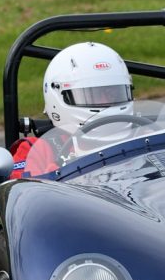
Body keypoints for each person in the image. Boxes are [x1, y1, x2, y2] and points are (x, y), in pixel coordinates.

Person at [11, 41, 134, 179]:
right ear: (58, 95)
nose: (106, 102)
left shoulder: (143, 136)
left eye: (113, 93)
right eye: (93, 95)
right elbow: (26, 194)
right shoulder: (37, 150)